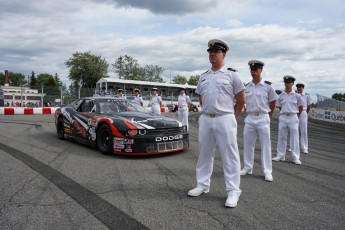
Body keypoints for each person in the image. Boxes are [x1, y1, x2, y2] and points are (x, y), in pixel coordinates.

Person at [188, 39, 246, 208]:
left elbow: (241, 100)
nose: (212, 54)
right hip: (206, 118)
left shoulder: (231, 75)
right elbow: (201, 97)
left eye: (216, 51)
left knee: (230, 156)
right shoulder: (203, 77)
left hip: (225, 117)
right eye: (210, 51)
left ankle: (233, 191)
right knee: (205, 153)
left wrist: (232, 116)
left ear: (224, 54)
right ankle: (202, 184)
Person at [240, 60, 278, 182]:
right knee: (247, 144)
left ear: (261, 70)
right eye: (252, 70)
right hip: (250, 117)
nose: (253, 72)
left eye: (256, 69)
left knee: (265, 145)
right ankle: (247, 167)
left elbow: (273, 102)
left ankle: (267, 171)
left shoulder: (268, 86)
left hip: (262, 116)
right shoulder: (247, 86)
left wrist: (268, 115)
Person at [272, 76, 303, 165]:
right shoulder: (281, 95)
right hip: (283, 116)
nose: (287, 84)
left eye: (289, 82)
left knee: (294, 138)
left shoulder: (297, 95)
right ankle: (280, 155)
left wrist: (296, 116)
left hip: (293, 116)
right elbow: (279, 106)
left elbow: (300, 107)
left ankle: (295, 157)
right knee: (281, 137)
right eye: (285, 82)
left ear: (292, 83)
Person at [288, 83, 312, 154]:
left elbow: (309, 106)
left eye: (300, 87)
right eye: (298, 87)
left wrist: (305, 113)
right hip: (295, 113)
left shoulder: (307, 96)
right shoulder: (294, 95)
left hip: (303, 113)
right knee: (293, 130)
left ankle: (304, 148)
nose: (298, 88)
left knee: (304, 131)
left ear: (303, 88)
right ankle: (292, 147)